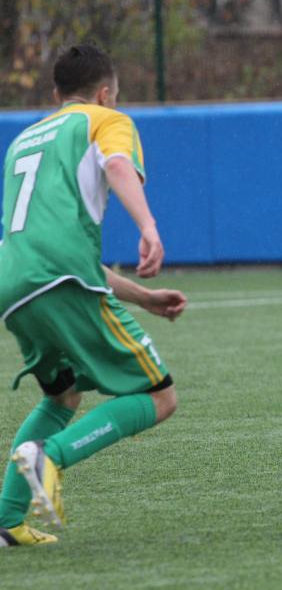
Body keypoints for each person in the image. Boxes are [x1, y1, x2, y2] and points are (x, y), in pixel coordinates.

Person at [0, 44, 185, 547]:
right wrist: (148, 225)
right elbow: (119, 165)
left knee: (62, 396)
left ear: (56, 94)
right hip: (61, 276)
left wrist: (142, 297)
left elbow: (49, 248)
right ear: (105, 94)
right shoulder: (105, 120)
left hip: (13, 285)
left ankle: (8, 522)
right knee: (159, 396)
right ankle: (51, 456)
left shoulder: (22, 141)